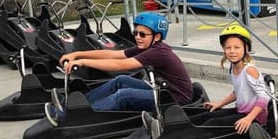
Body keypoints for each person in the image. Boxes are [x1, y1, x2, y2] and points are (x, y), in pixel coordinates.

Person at [45, 12, 193, 127]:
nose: (138, 37)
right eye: (135, 33)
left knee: (124, 95)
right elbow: (112, 54)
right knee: (120, 80)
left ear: (157, 36)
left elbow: (120, 65)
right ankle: (76, 107)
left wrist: (83, 62)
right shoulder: (148, 47)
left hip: (175, 98)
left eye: (142, 34)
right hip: (161, 90)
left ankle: (76, 116)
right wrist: (77, 54)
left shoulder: (158, 52)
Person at [183, 24, 269, 135]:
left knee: (212, 123)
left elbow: (264, 97)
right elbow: (237, 91)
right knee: (206, 116)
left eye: (237, 47)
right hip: (241, 111)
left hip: (255, 118)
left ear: (246, 48)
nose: (232, 51)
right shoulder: (233, 67)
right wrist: (219, 104)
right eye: (228, 48)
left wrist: (249, 118)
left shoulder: (249, 70)